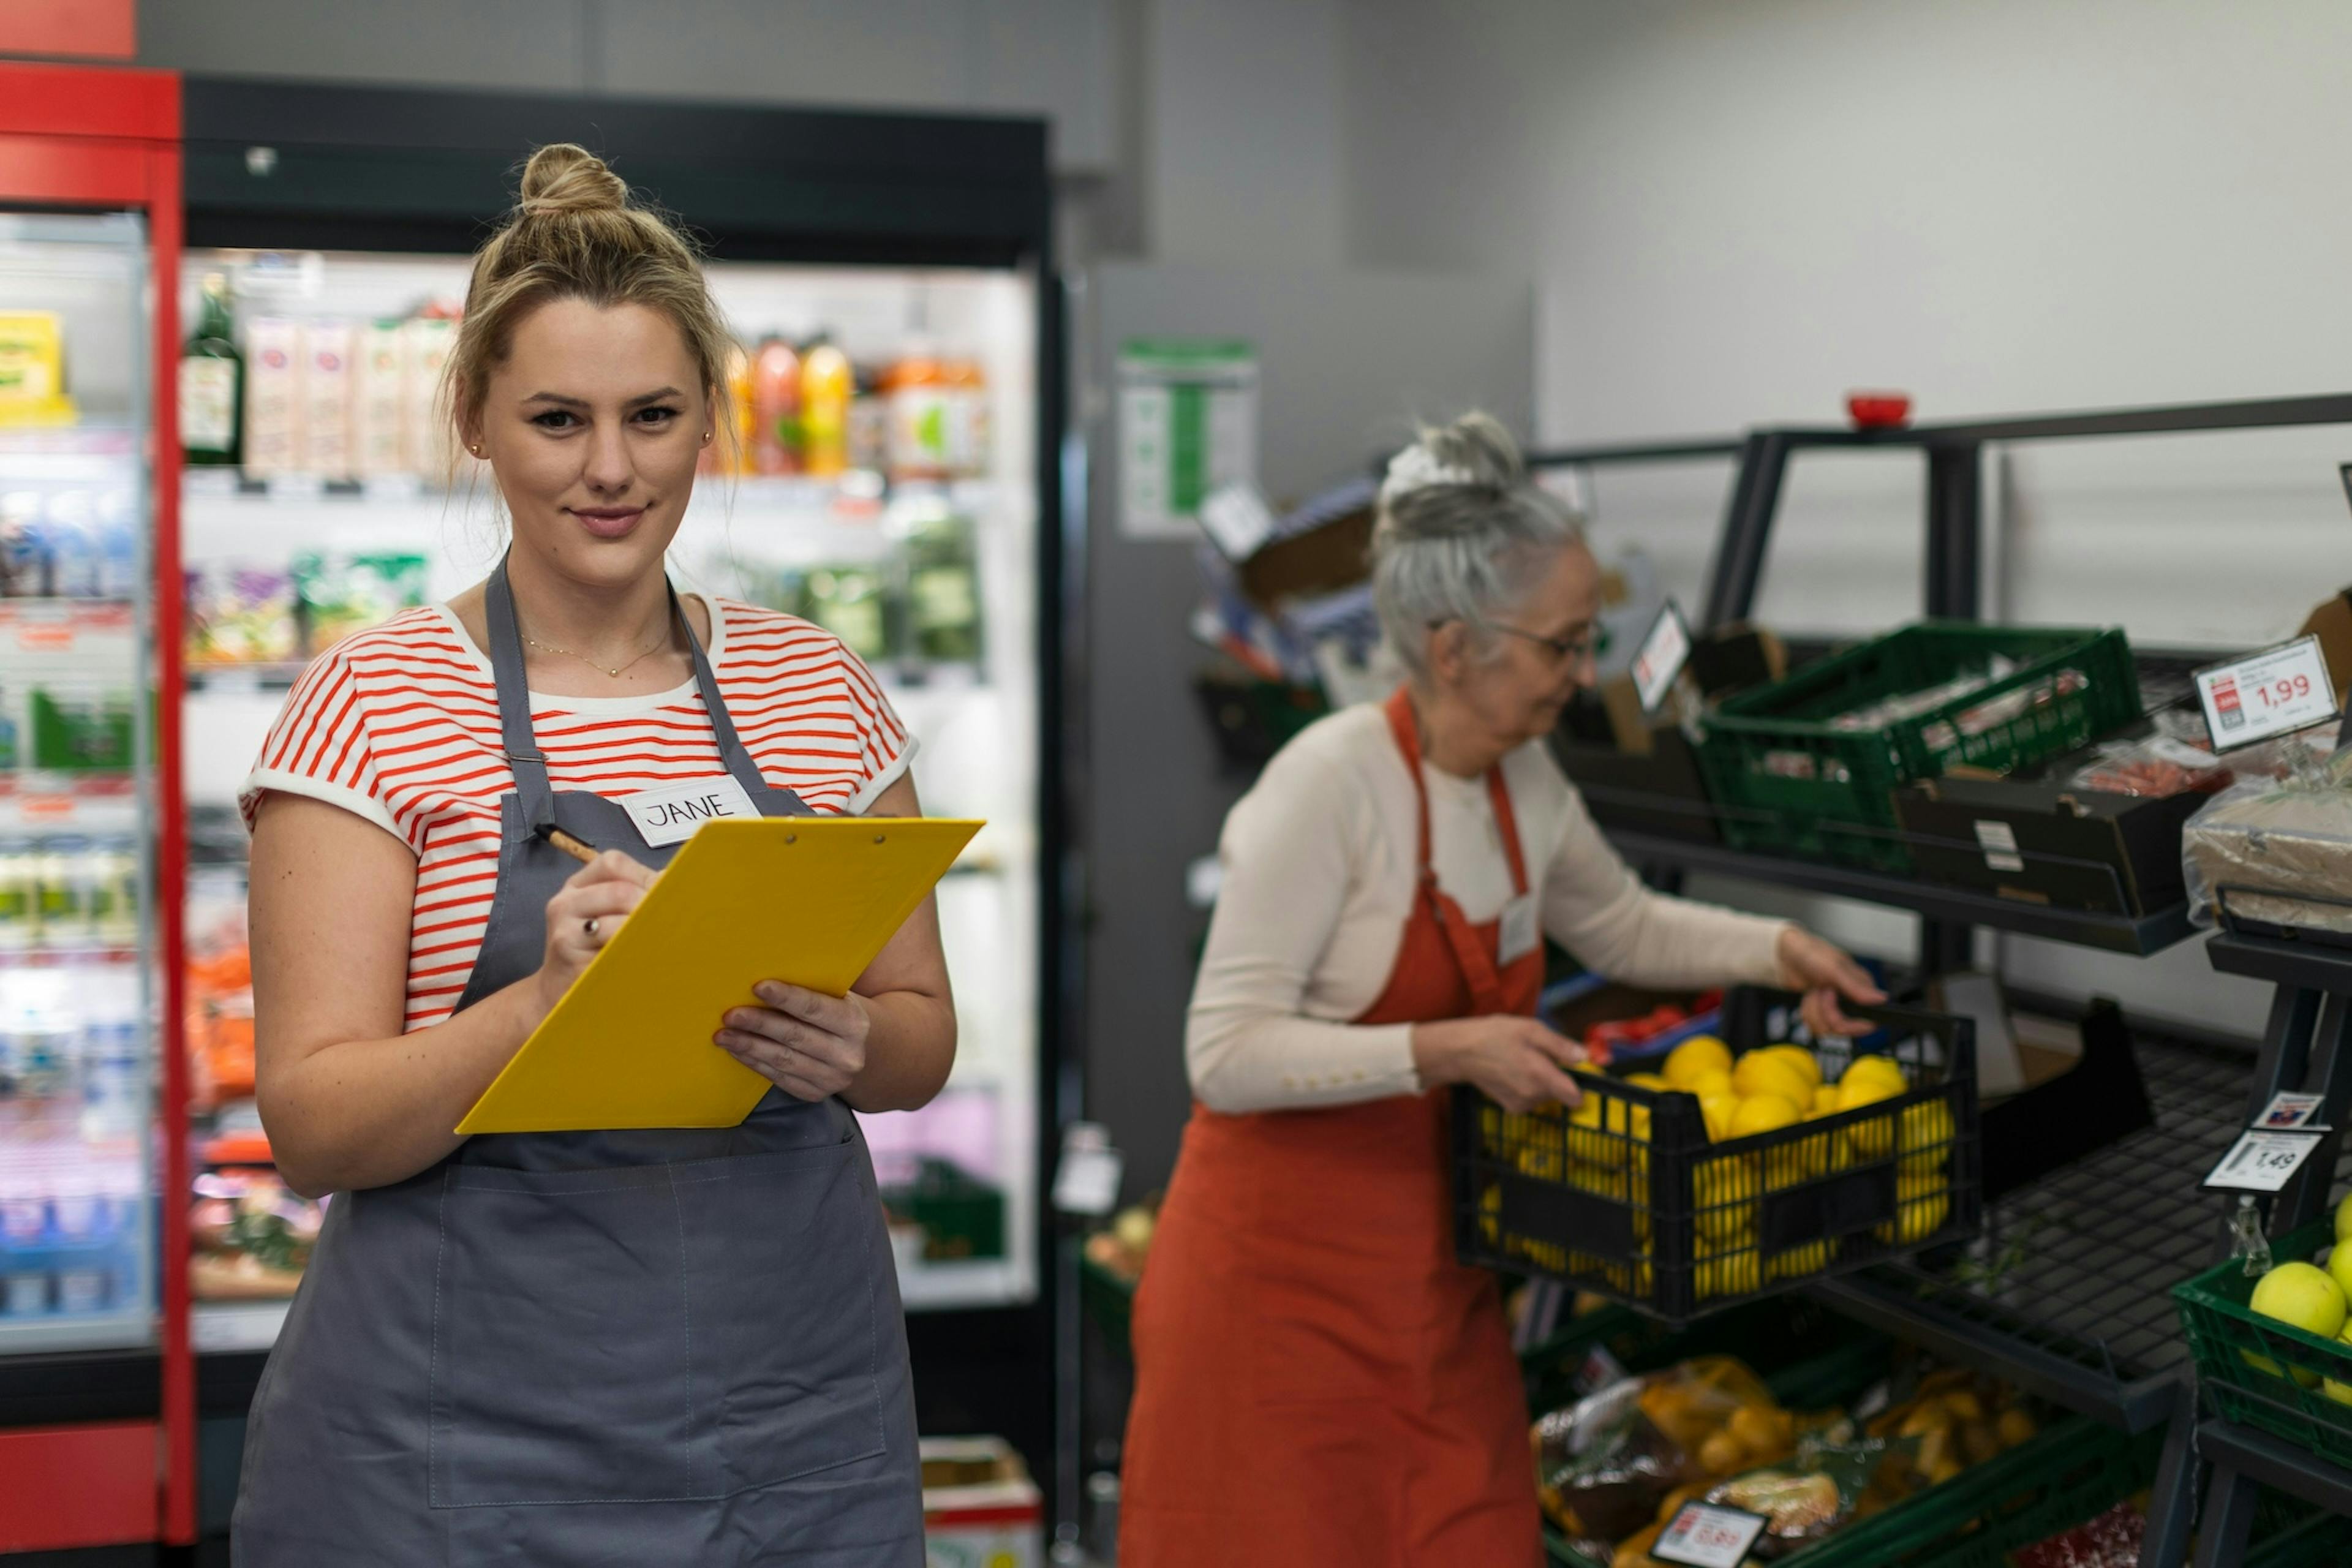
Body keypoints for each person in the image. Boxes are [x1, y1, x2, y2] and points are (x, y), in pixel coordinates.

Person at [230, 145, 946, 1566]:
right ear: (477, 421)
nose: (611, 468)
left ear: (707, 424)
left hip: (792, 1438)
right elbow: (313, 1127)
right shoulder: (373, 703)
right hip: (455, 1456)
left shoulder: (821, 689)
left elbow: (921, 1041)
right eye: (559, 418)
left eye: (654, 415)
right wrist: (539, 1010)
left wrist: (848, 1036)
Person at [1118, 413, 1884, 1566]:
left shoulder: (1522, 777)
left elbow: (1622, 922)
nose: (1583, 676)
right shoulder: (1326, 785)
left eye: (1587, 643)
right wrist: (1445, 1049)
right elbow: (1222, 1053)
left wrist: (1778, 950)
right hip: (1270, 1312)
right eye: (1563, 646)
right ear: (1454, 646)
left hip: (1435, 1297)